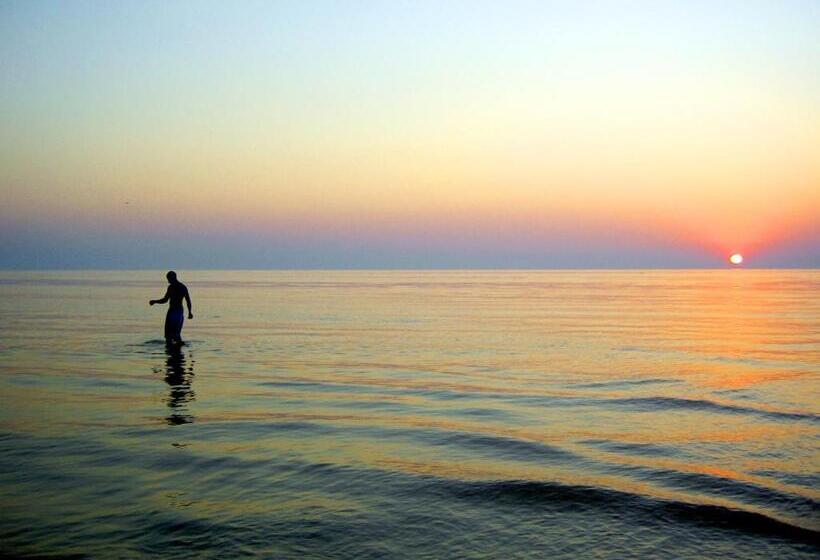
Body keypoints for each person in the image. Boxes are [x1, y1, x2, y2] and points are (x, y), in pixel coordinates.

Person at [150, 271, 193, 345]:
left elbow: (165, 300)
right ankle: (176, 351)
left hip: (173, 312)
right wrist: (189, 312)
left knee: (169, 335)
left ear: (173, 278)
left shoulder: (174, 287)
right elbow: (188, 301)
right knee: (175, 334)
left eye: (168, 279)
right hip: (179, 312)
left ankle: (171, 351)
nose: (168, 281)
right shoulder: (182, 287)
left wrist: (154, 301)